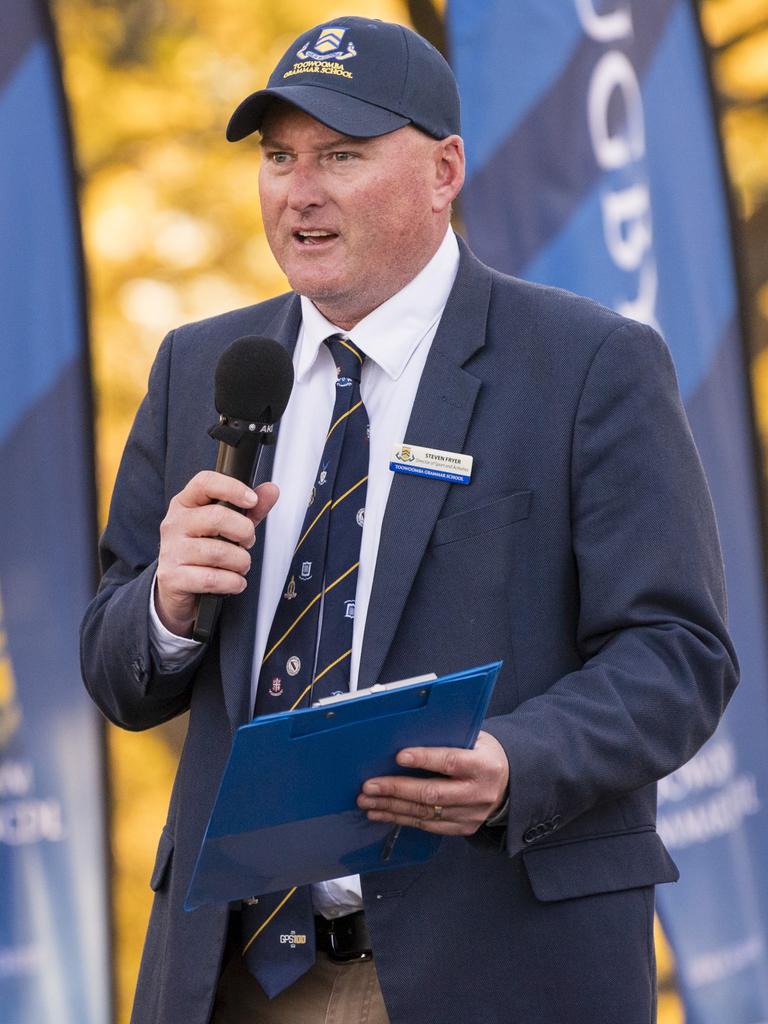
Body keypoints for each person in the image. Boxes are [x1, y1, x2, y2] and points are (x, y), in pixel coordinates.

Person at [80, 15, 738, 1024]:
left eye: (341, 155)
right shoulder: (200, 369)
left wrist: (518, 762)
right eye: (278, 156)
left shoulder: (586, 365)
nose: (299, 190)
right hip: (234, 974)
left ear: (444, 170)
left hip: (493, 959)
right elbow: (113, 661)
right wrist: (165, 603)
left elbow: (678, 653)